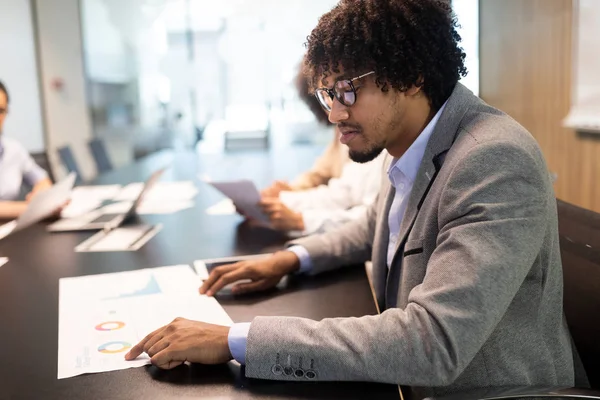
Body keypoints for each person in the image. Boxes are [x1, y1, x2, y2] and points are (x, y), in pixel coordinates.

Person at [125, 1, 581, 397]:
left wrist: (234, 340)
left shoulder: (493, 159)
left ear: (410, 75)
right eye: (328, 93)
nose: (334, 115)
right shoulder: (411, 140)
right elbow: (375, 226)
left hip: (482, 392)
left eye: (347, 91)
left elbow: (432, 343)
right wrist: (290, 259)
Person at [258, 65, 386, 234]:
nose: (334, 115)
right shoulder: (353, 131)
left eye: (346, 91)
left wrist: (300, 220)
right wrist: (285, 197)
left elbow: (369, 222)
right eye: (327, 97)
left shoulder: (372, 134)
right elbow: (335, 183)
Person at [0, 81, 52, 219]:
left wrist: (40, 195)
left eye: (0, 111)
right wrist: (35, 209)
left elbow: (42, 180)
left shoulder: (14, 149)